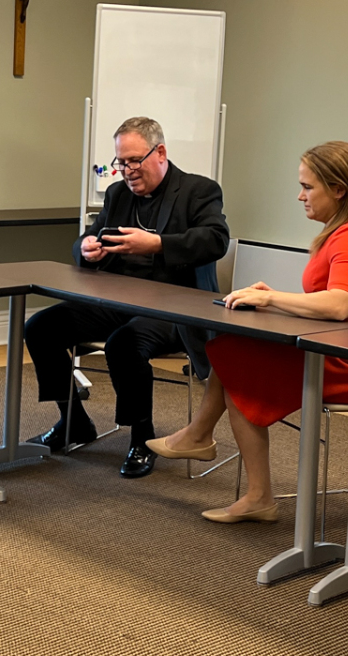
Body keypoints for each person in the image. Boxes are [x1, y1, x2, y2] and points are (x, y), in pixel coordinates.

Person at [146, 140, 348, 523]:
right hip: (335, 349)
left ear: (339, 190)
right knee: (231, 350)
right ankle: (207, 445)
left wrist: (271, 299)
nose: (300, 196)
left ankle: (242, 479)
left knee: (238, 369)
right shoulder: (341, 232)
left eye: (308, 187)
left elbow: (339, 305)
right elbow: (331, 303)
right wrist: (275, 300)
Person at [23, 116, 230, 479]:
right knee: (40, 327)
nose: (128, 171)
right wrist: (86, 249)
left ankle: (141, 436)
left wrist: (158, 244)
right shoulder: (118, 193)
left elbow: (216, 239)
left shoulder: (198, 190)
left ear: (160, 152)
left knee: (124, 344)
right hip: (116, 301)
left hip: (174, 308)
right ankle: (73, 421)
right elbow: (88, 237)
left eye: (135, 161)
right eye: (121, 162)